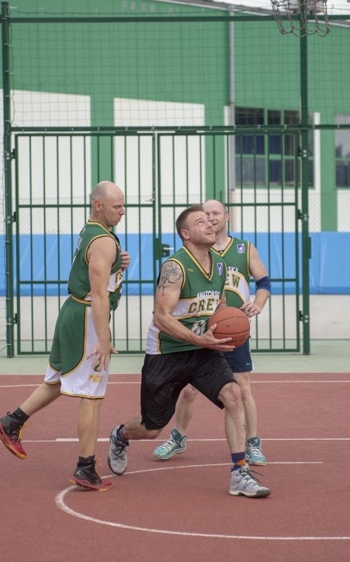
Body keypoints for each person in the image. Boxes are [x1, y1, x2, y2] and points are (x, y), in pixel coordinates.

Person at [106, 204, 271, 498]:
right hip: (166, 353)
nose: (209, 223)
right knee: (152, 427)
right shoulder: (175, 267)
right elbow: (161, 316)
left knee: (233, 396)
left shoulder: (220, 264)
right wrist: (201, 340)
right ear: (186, 234)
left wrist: (228, 323)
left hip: (203, 350)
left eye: (210, 220)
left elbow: (218, 305)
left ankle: (239, 473)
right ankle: (120, 435)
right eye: (200, 221)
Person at [0, 181, 129, 491]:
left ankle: (11, 422)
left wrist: (117, 267)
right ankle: (85, 468)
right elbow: (98, 293)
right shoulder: (104, 241)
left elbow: (97, 273)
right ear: (98, 205)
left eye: (123, 205)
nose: (122, 211)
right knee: (92, 396)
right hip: (85, 318)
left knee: (56, 380)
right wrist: (103, 339)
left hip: (73, 312)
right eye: (117, 206)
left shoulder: (91, 232)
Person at [153, 199, 271, 465]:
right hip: (201, 329)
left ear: (226, 217)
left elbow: (263, 281)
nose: (211, 218)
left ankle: (252, 442)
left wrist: (258, 303)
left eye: (216, 213)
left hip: (233, 329)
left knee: (242, 389)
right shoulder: (191, 256)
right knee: (188, 390)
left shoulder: (243, 249)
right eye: (205, 214)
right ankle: (178, 437)